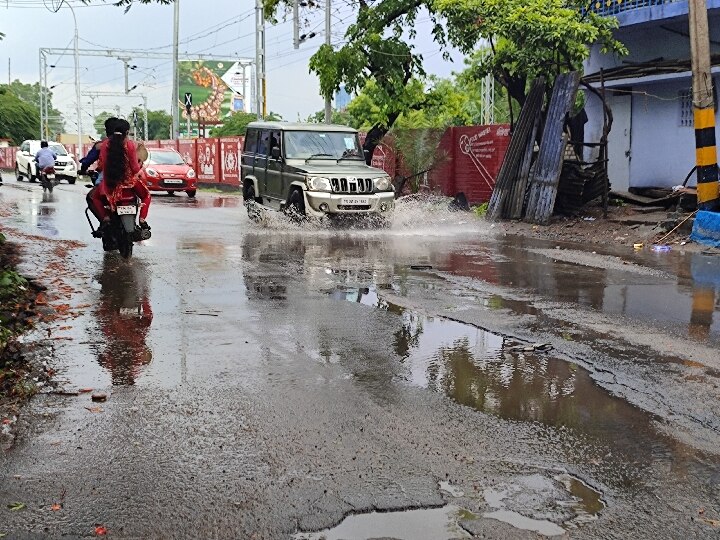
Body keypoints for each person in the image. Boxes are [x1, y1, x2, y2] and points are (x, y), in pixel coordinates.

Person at [87, 118, 151, 237]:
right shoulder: (130, 145)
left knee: (95, 198)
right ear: (126, 132)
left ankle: (105, 218)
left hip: (109, 185)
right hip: (130, 184)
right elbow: (135, 167)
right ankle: (142, 220)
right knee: (146, 196)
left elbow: (102, 164)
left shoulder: (105, 144)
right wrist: (141, 171)